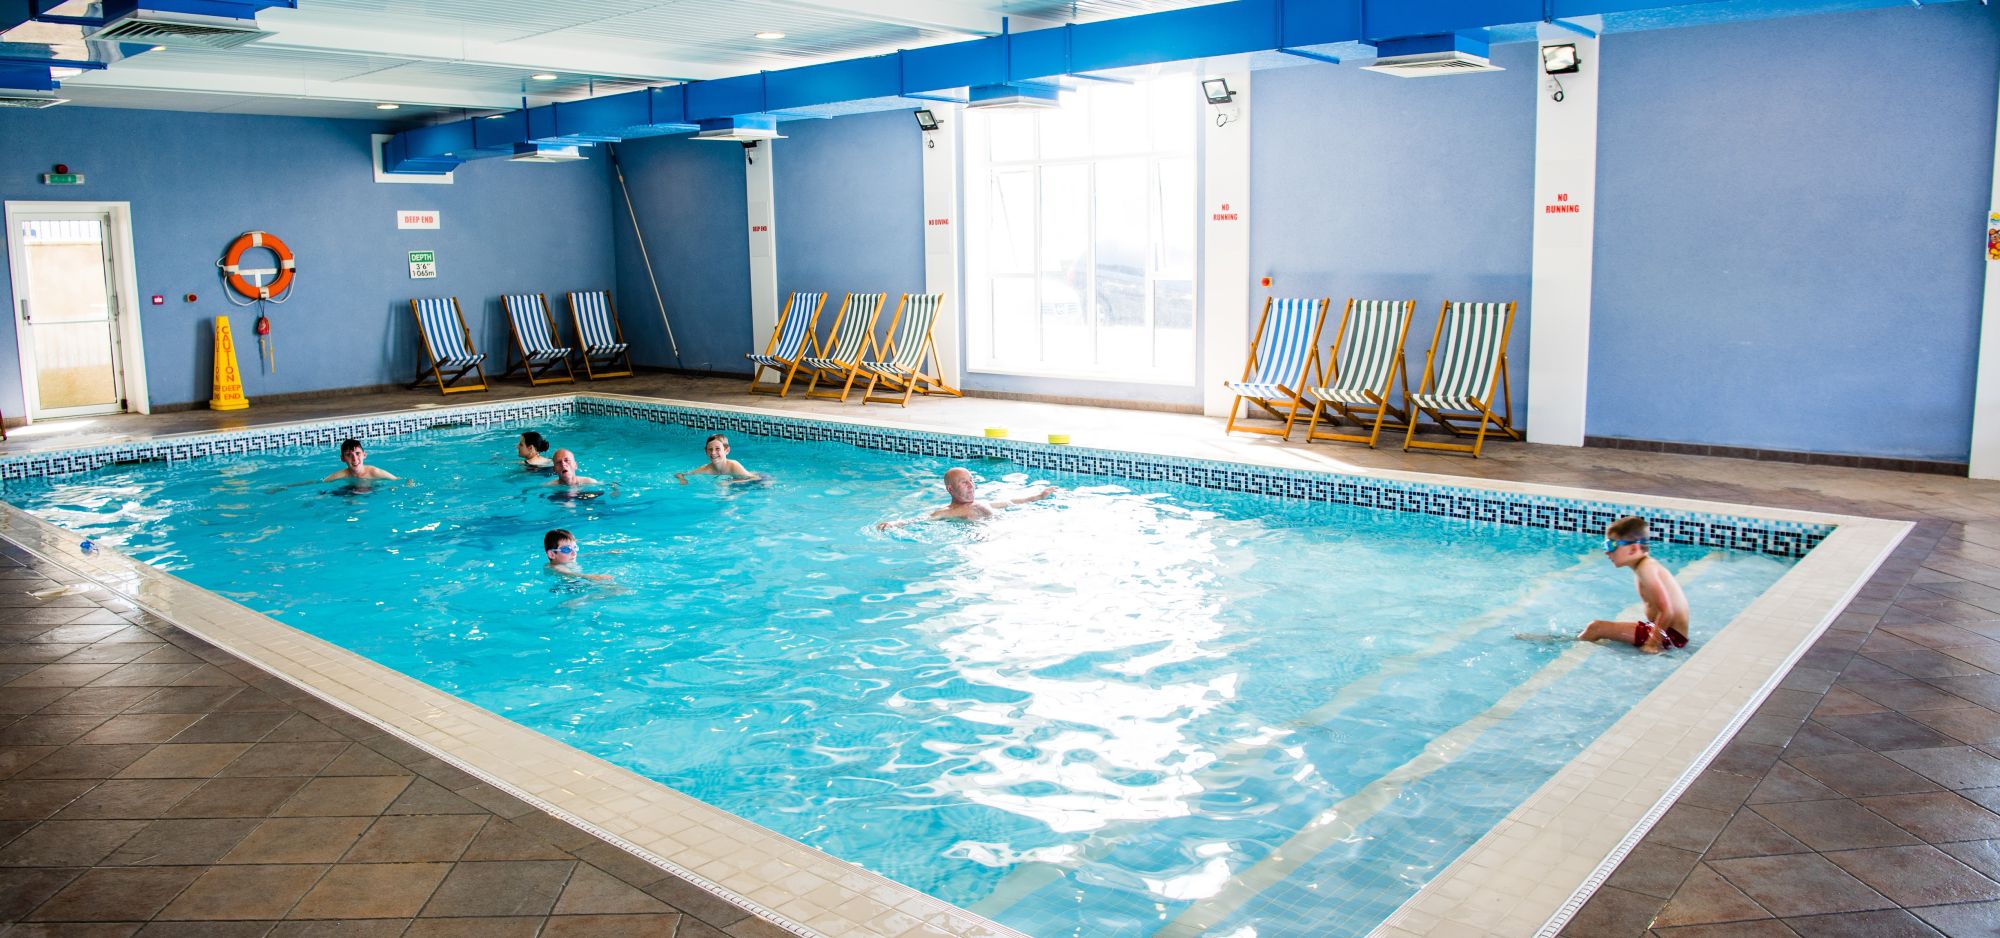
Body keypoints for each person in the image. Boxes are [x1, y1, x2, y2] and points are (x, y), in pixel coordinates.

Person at [1578, 517, 1691, 654]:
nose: (1607, 552)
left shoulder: (1646, 569)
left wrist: (1652, 644)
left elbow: (1667, 610)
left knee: (1595, 627)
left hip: (1671, 638)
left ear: (1633, 548)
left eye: (1611, 545)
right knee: (1599, 629)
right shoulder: (1645, 566)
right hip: (1666, 632)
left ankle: (1568, 644)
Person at [878, 467, 1056, 529]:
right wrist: (895, 524)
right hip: (980, 537)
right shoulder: (949, 511)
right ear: (950, 489)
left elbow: (1013, 502)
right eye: (964, 482)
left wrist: (1039, 496)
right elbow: (920, 519)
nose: (971, 485)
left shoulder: (984, 502)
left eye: (971, 480)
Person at [676, 434, 763, 484]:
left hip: (761, 478)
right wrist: (682, 480)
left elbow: (755, 478)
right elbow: (679, 474)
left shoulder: (733, 465)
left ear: (727, 450)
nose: (713, 453)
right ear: (706, 452)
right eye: (710, 449)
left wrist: (730, 482)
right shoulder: (705, 469)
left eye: (717, 449)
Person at [543, 528, 612, 582]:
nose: (574, 553)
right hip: (568, 586)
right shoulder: (556, 567)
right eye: (566, 549)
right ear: (552, 554)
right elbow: (568, 573)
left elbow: (583, 555)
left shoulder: (566, 559)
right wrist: (590, 576)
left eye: (574, 547)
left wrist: (605, 553)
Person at [322, 438, 398, 483]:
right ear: (343, 459)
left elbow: (398, 480)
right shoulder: (342, 475)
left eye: (357, 453)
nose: (354, 459)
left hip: (373, 491)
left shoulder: (374, 472)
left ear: (364, 455)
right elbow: (321, 483)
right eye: (349, 455)